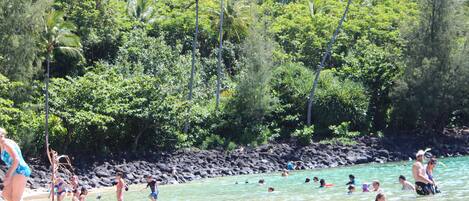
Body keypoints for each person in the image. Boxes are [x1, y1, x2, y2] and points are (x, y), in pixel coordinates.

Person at [0, 127, 32, 201]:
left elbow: (17, 160)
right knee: (5, 194)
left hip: (21, 170)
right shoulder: (4, 143)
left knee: (16, 198)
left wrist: (8, 175)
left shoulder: (6, 144)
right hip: (15, 171)